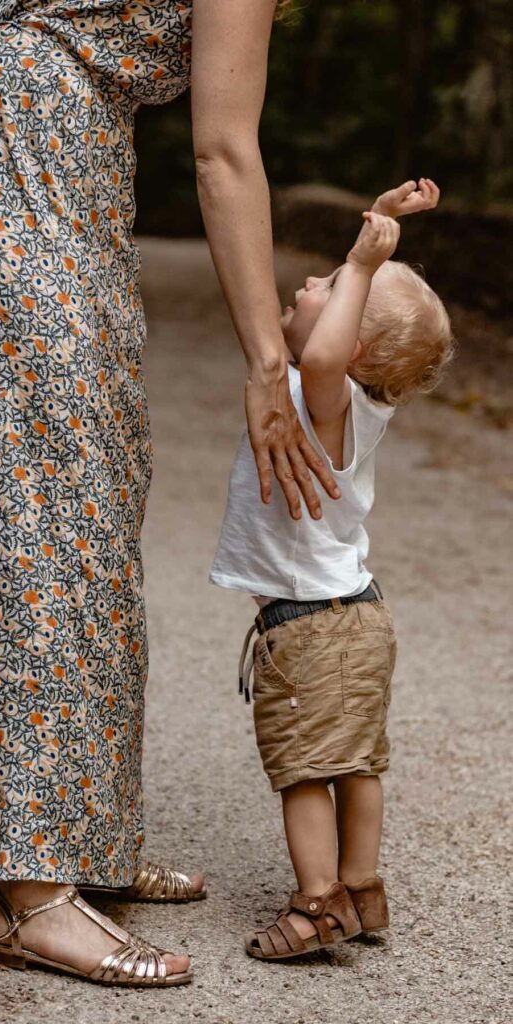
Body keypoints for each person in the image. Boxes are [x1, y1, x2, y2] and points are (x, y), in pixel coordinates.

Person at [0, 0, 336, 988]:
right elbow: (222, 152)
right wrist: (268, 361)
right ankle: (31, 894)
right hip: (20, 153)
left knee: (53, 496)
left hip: (29, 145)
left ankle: (56, 832)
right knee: (52, 513)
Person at [209, 179, 454, 960]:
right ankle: (361, 889)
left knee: (305, 771)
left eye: (331, 288)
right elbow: (316, 341)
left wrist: (360, 260)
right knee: (356, 762)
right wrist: (377, 240)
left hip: (313, 628)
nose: (309, 282)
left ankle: (317, 906)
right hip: (353, 615)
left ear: (351, 352)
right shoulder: (335, 399)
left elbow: (318, 351)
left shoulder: (329, 400)